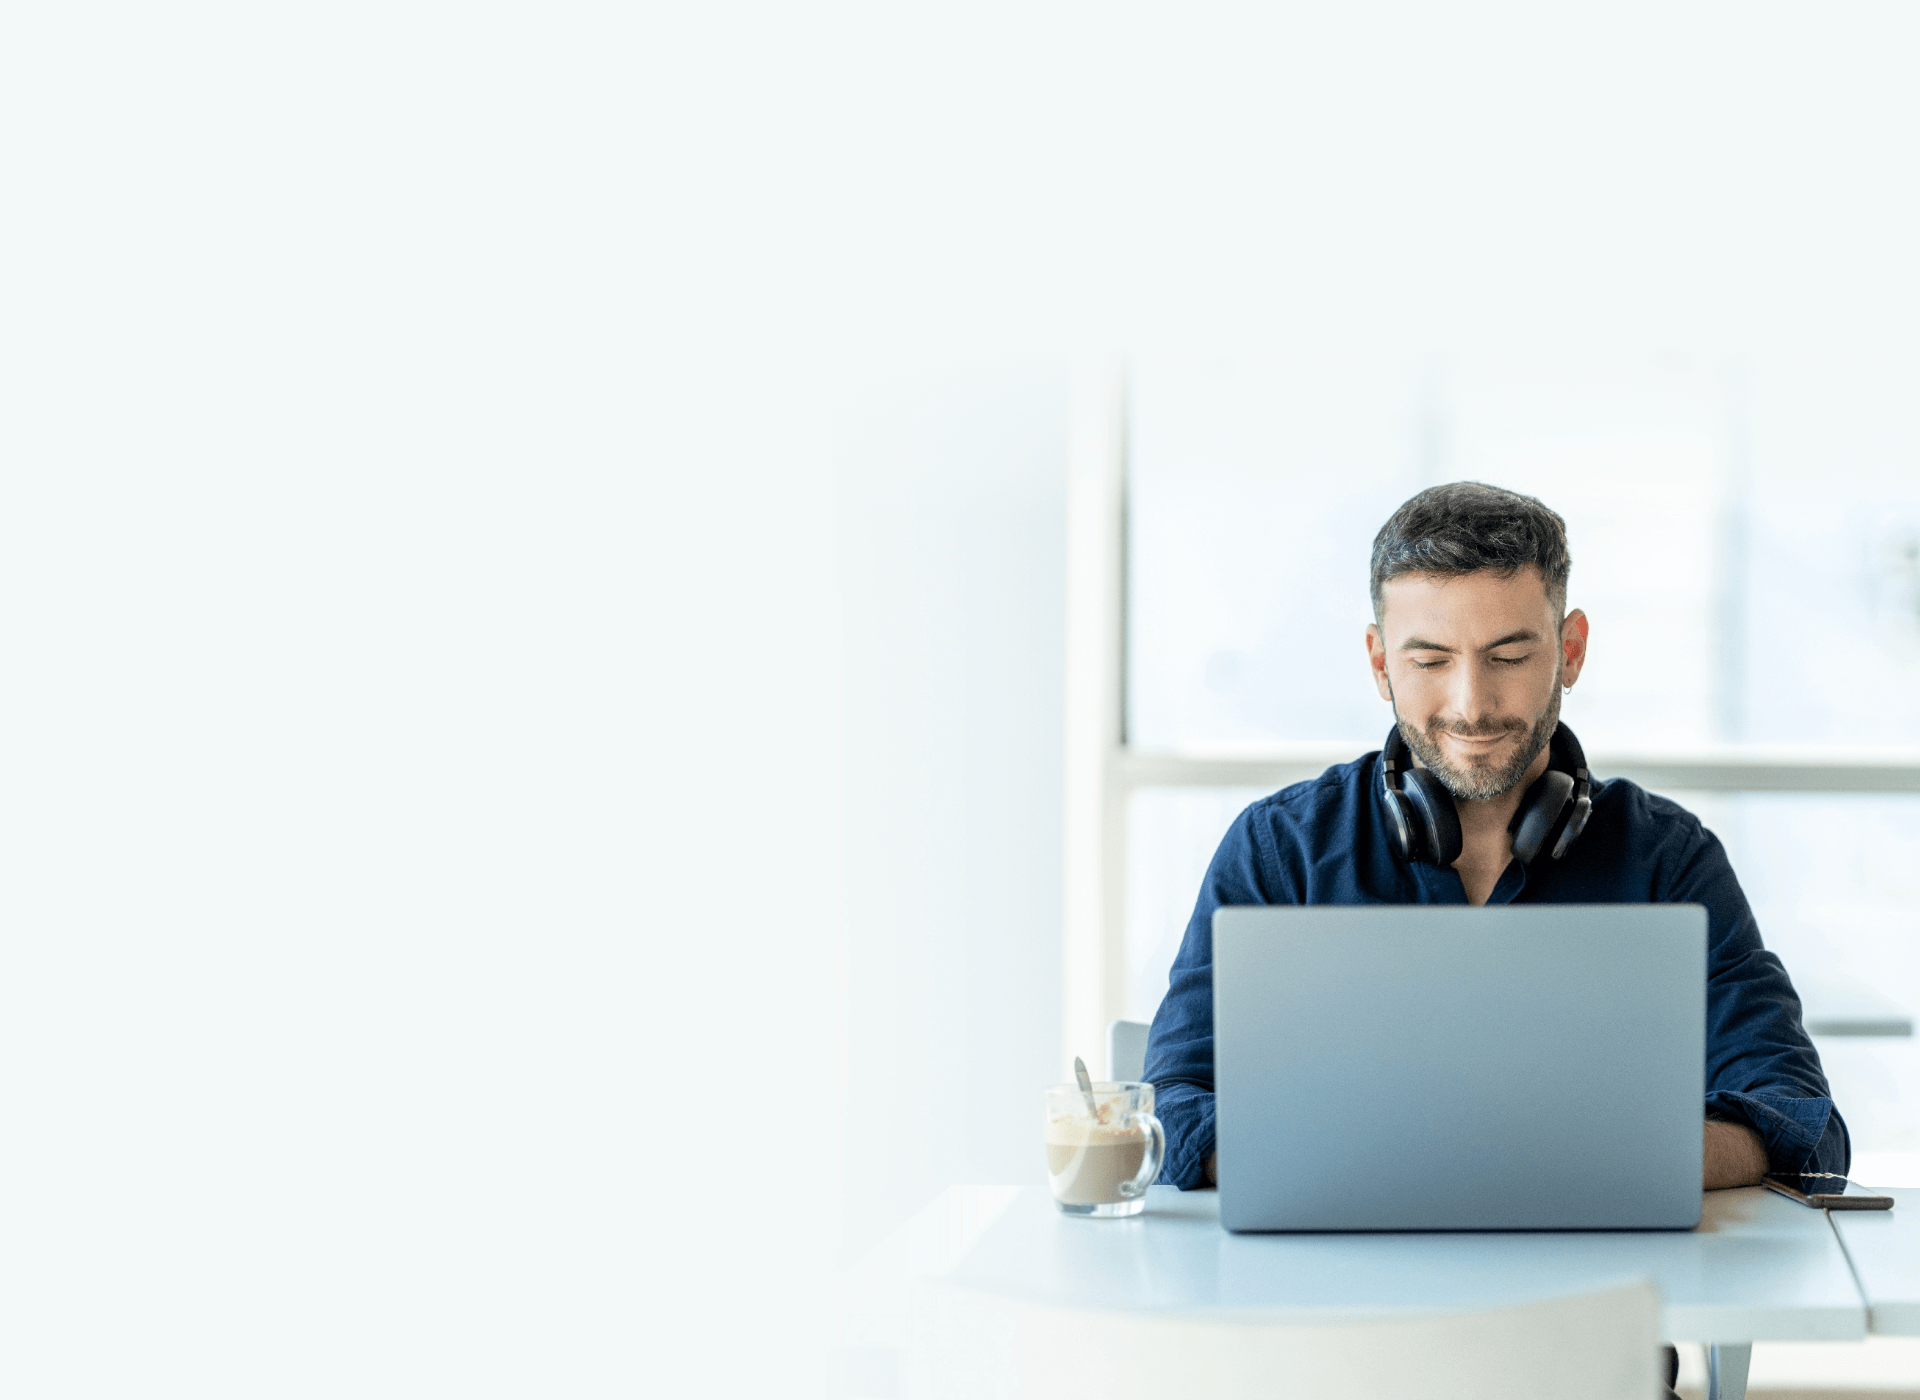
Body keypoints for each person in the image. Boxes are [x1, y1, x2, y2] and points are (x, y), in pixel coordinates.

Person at [1141, 483, 1847, 1395]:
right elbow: (1170, 1109)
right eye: (1429, 659)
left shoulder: (1667, 858)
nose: (1472, 705)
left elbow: (1800, 1119)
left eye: (1510, 655)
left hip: (1589, 1371)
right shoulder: (1279, 850)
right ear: (1377, 661)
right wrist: (1422, 1162)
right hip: (1322, 1363)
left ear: (1573, 647)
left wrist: (1569, 1160)